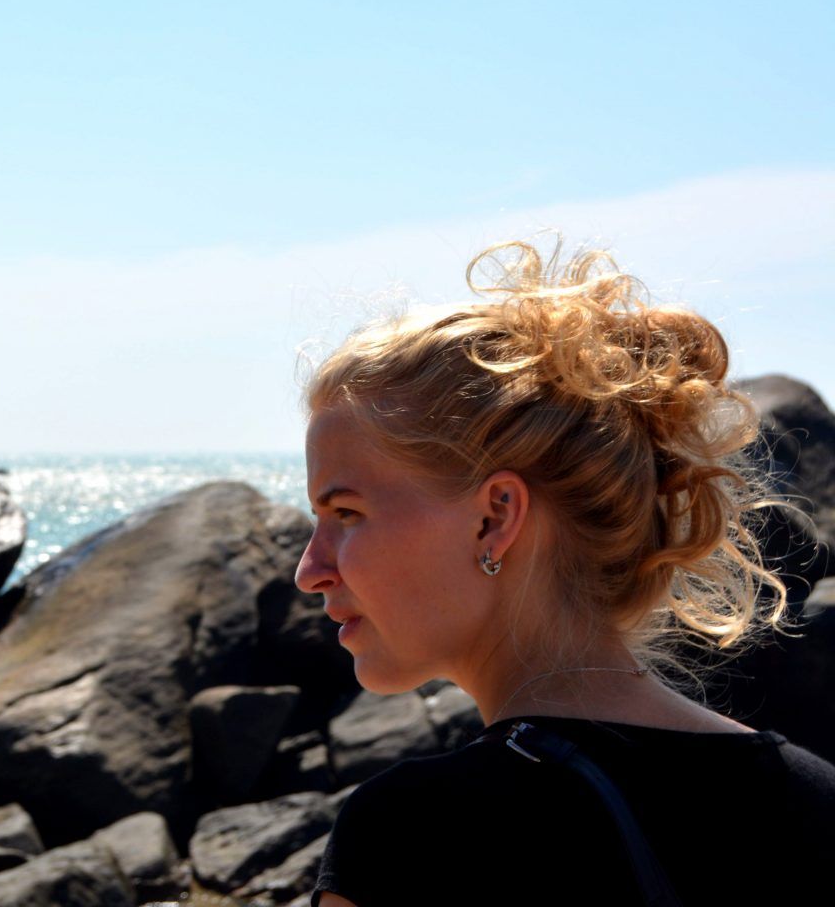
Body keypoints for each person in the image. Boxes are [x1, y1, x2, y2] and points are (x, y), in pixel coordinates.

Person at [293, 241, 835, 907]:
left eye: (345, 513)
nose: (309, 570)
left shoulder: (417, 838)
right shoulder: (813, 797)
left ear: (495, 518)